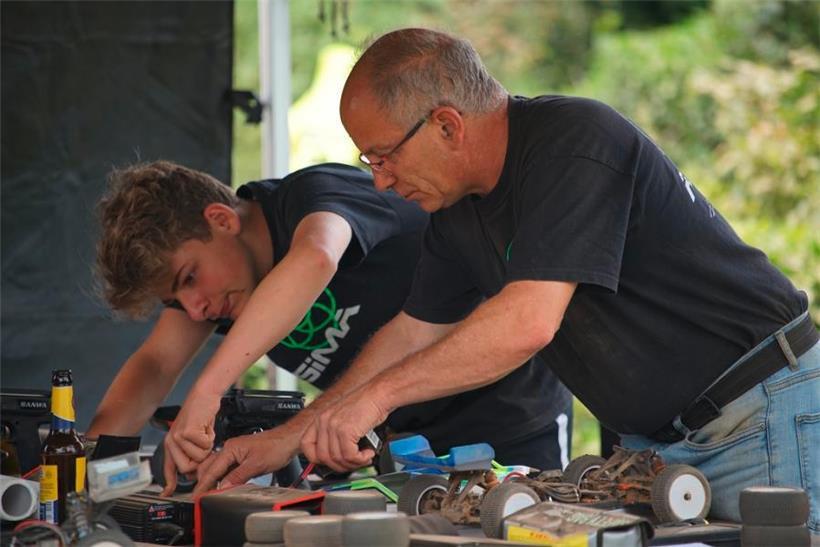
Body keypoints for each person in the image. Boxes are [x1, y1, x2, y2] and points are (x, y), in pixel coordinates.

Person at [291, 28, 819, 530]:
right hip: (658, 453)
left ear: (447, 125)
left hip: (759, 414)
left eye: (384, 157)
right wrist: (287, 438)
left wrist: (376, 399)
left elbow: (527, 322)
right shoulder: (455, 209)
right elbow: (412, 331)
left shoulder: (574, 143)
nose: (379, 181)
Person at [88, 160, 573, 494]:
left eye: (188, 279)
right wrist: (90, 469)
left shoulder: (312, 194)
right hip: (403, 442)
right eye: (175, 300)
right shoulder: (216, 292)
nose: (194, 311)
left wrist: (207, 391)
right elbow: (154, 365)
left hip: (509, 412)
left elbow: (316, 256)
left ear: (221, 220)